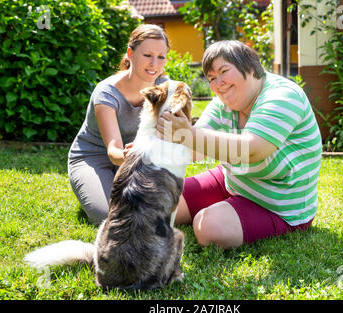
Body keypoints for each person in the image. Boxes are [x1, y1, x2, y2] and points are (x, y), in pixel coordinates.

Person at [157, 40, 322, 249]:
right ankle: (228, 207)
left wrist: (187, 134)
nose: (218, 84)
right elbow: (194, 151)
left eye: (224, 71)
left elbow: (253, 150)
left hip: (278, 205)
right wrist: (154, 146)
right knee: (157, 200)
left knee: (208, 227)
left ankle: (232, 214)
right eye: (212, 78)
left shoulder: (282, 96)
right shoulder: (223, 103)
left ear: (251, 67)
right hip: (234, 181)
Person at [68, 24, 170, 225]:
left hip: (137, 160)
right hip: (95, 158)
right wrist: (127, 155)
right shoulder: (106, 93)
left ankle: (114, 189)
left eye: (161, 56)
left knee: (160, 210)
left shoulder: (164, 88)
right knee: (112, 217)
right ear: (130, 53)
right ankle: (93, 186)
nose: (154, 64)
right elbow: (113, 151)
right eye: (147, 55)